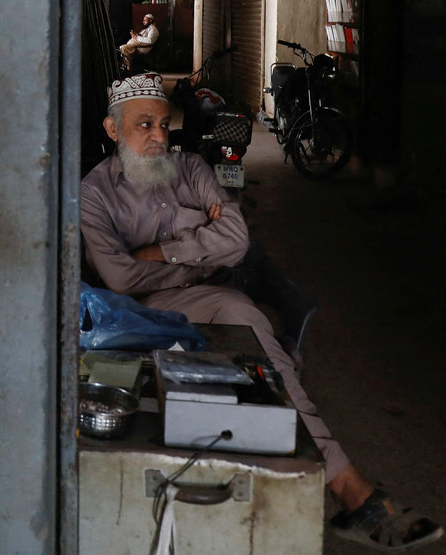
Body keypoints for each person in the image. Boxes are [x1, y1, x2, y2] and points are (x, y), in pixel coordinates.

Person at [79, 72, 443, 552]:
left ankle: (327, 482)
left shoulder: (191, 168)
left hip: (209, 292)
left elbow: (235, 242)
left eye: (164, 125)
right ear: (112, 129)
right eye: (143, 125)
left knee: (258, 347)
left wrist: (158, 252)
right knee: (249, 325)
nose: (159, 137)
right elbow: (121, 279)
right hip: (147, 310)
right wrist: (197, 250)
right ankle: (351, 491)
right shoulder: (94, 193)